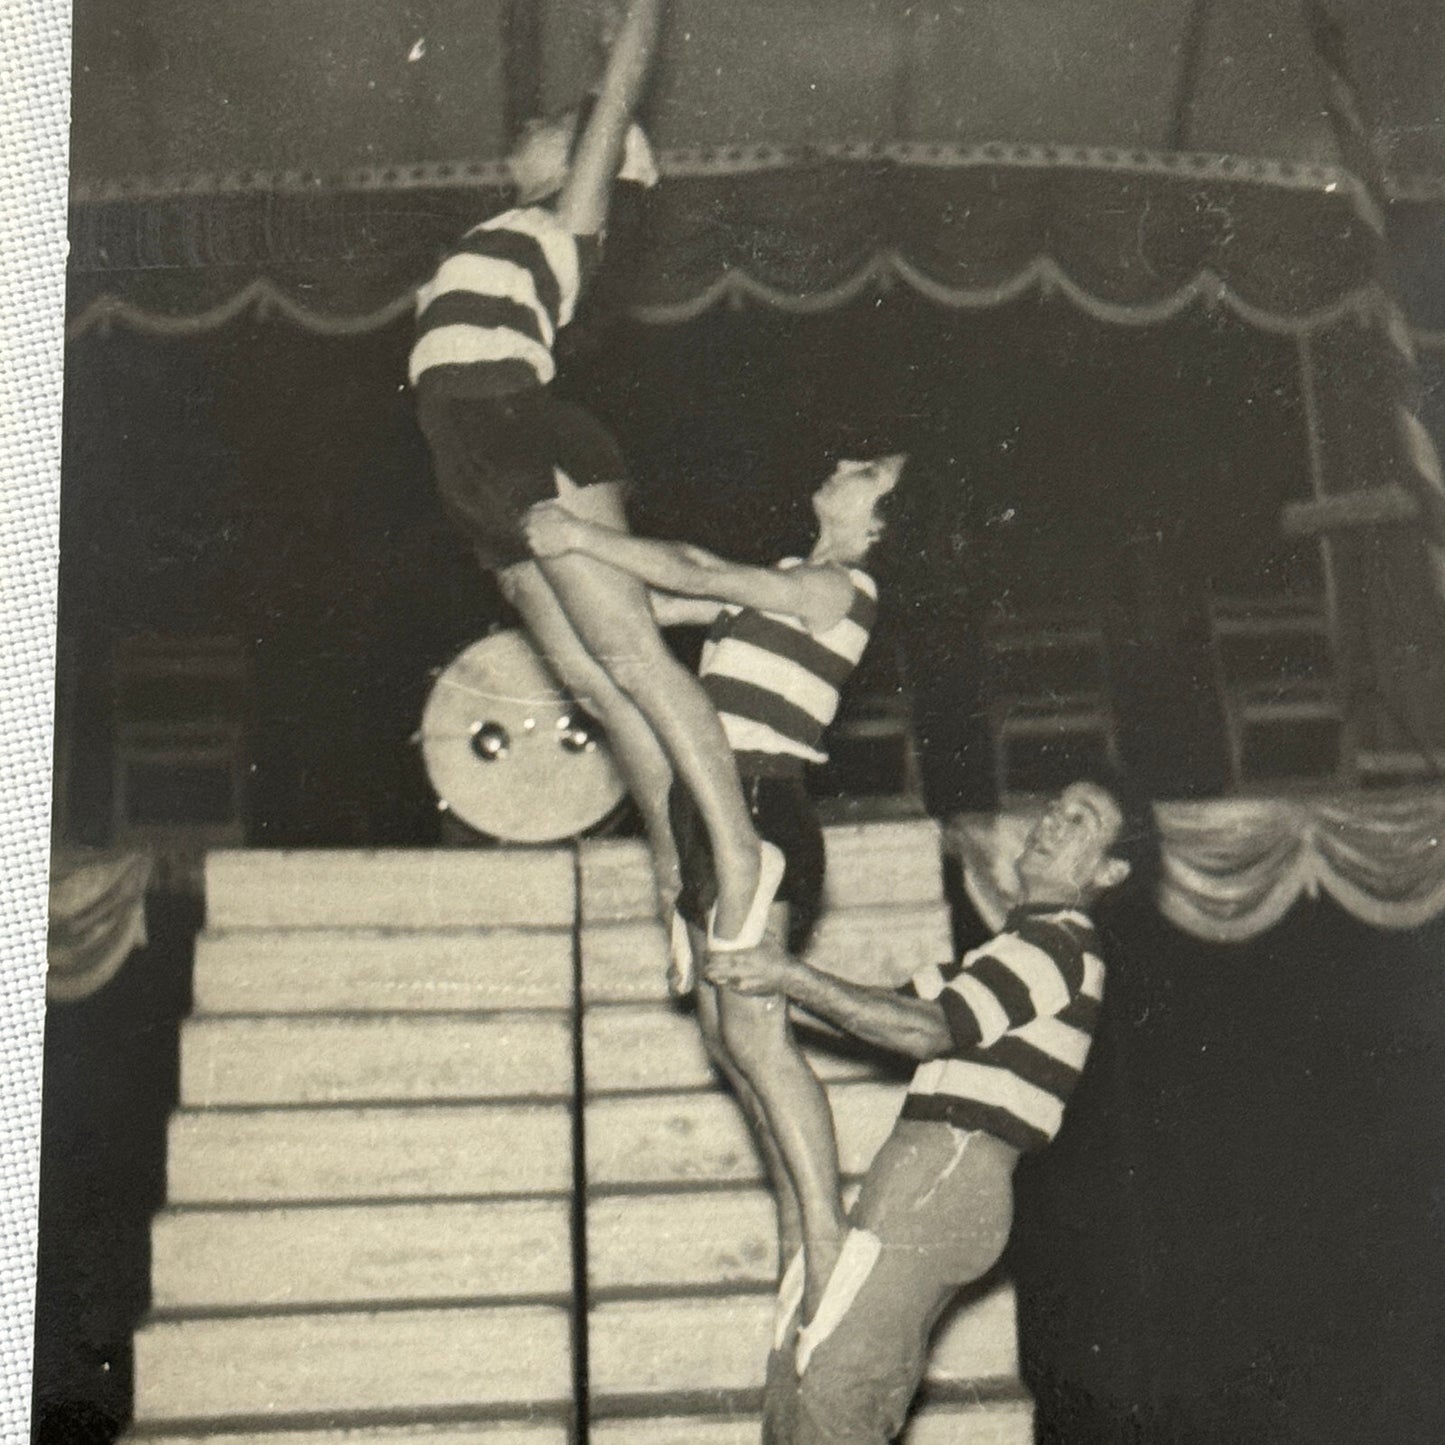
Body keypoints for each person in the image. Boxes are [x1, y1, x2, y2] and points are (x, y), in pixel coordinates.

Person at [409, 0, 779, 947]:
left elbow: (617, 93)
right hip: (468, 466)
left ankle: (742, 851)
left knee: (632, 659)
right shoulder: (503, 227)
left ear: (590, 161)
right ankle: (681, 878)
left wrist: (631, 29)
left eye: (558, 127)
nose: (533, 126)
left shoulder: (570, 220)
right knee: (596, 689)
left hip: (526, 432)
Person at [524, 452, 905, 1315]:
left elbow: (694, 568)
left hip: (762, 807)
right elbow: (651, 605)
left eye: (869, 471)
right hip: (708, 810)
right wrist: (547, 572)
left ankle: (829, 1239)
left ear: (881, 521)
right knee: (728, 1041)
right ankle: (797, 1234)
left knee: (758, 1038)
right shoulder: (783, 577)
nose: (842, 463)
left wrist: (579, 533)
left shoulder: (840, 589)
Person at [703, 779, 1147, 1445]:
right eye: (1055, 806)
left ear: (1109, 871)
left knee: (836, 1389)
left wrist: (787, 975)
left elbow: (922, 1029)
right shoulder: (1008, 948)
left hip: (950, 1175)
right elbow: (874, 1008)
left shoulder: (1059, 945)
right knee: (803, 1378)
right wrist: (751, 985)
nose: (1052, 820)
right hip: (924, 1174)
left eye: (1079, 820)